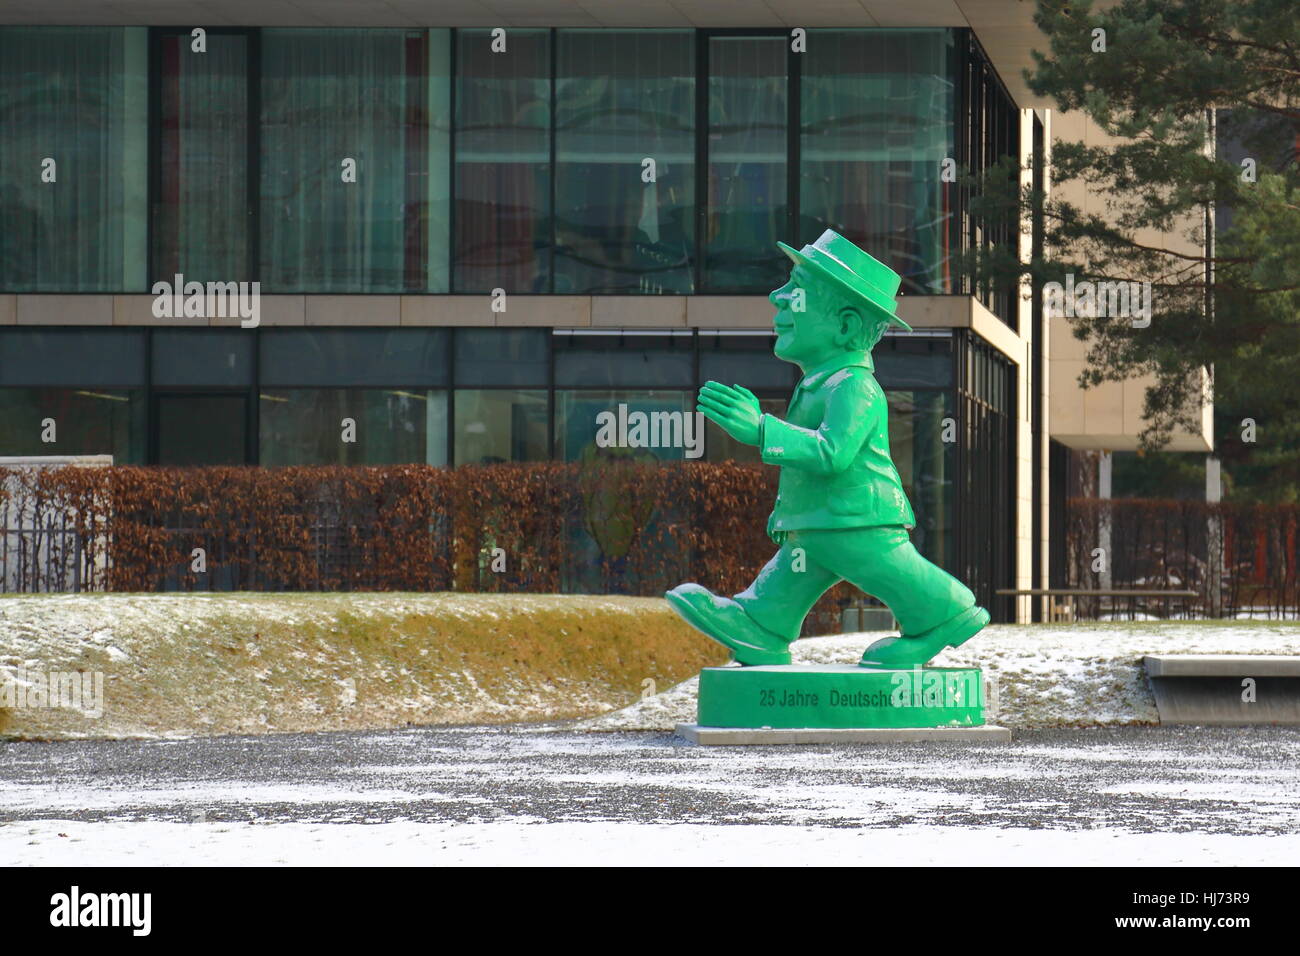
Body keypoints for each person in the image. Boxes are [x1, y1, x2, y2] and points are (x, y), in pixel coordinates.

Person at [665, 229, 989, 669]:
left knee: (888, 570)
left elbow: (832, 453)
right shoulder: (823, 381)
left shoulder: (855, 386)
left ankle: (946, 611)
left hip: (855, 516)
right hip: (824, 519)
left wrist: (762, 428)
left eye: (796, 291)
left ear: (846, 326)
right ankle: (761, 623)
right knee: (800, 566)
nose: (778, 298)